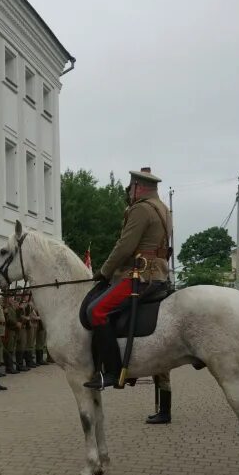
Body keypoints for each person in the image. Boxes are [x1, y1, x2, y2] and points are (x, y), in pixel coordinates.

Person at [84, 166, 171, 389]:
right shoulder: (163, 208)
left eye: (130, 187)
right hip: (159, 273)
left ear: (138, 188)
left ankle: (112, 371)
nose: (128, 191)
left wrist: (104, 271)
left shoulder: (141, 209)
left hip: (141, 275)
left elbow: (125, 247)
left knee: (97, 311)